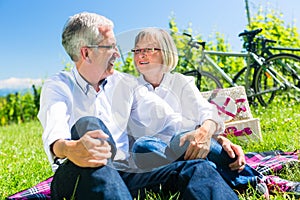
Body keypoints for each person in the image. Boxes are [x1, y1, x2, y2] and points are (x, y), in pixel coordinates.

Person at [37, 12, 239, 199]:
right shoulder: (59, 85)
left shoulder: (126, 85)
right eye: (110, 47)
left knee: (195, 169)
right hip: (77, 172)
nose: (118, 53)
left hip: (126, 173)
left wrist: (211, 135)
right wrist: (71, 148)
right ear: (86, 53)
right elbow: (56, 134)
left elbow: (169, 121)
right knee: (89, 125)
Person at [129, 27, 264, 190]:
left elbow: (208, 113)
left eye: (148, 49)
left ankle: (251, 180)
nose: (141, 54)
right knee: (142, 147)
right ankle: (224, 176)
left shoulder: (180, 81)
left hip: (192, 146)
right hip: (159, 155)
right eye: (137, 50)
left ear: (165, 52)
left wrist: (207, 134)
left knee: (182, 140)